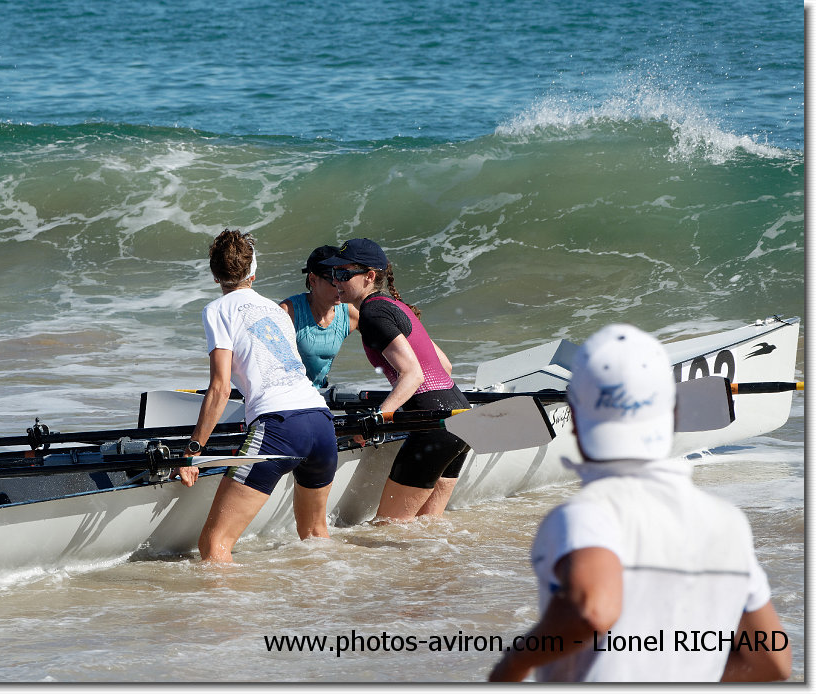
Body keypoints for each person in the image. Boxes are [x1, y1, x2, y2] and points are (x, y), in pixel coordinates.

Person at [489, 324, 791, 682]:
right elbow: (772, 661)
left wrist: (513, 665)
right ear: (674, 413)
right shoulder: (728, 522)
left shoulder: (584, 516)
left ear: (576, 421)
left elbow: (594, 612)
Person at [176, 229, 338, 563]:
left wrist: (193, 450)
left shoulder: (218, 309)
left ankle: (227, 602)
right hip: (321, 421)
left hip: (280, 427)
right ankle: (329, 596)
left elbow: (220, 388)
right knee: (315, 535)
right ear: (253, 272)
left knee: (215, 545)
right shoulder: (277, 311)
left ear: (215, 275)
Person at [321, 238, 469, 522]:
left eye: (343, 274)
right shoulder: (396, 306)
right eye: (332, 274)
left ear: (369, 276)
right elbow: (445, 366)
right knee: (428, 525)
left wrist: (377, 418)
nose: (335, 280)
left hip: (433, 426)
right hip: (460, 417)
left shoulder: (372, 313)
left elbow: (413, 374)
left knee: (388, 527)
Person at [279, 245, 359, 388]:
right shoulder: (288, 312)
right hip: (287, 392)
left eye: (343, 277)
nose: (340, 285)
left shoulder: (350, 314)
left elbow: (385, 346)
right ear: (313, 280)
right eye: (333, 280)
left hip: (319, 392)